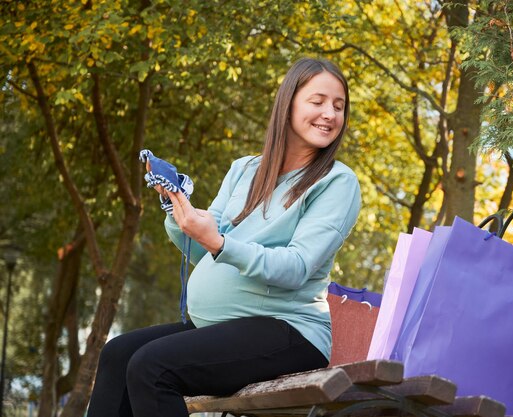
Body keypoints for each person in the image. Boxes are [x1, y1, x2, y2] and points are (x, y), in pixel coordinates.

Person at [86, 57, 361, 417]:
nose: (330, 114)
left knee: (151, 368)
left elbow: (296, 267)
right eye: (318, 101)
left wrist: (220, 243)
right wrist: (178, 210)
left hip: (290, 332)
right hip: (224, 328)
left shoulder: (337, 182)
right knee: (118, 354)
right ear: (288, 103)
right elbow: (203, 249)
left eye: (338, 107)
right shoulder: (245, 169)